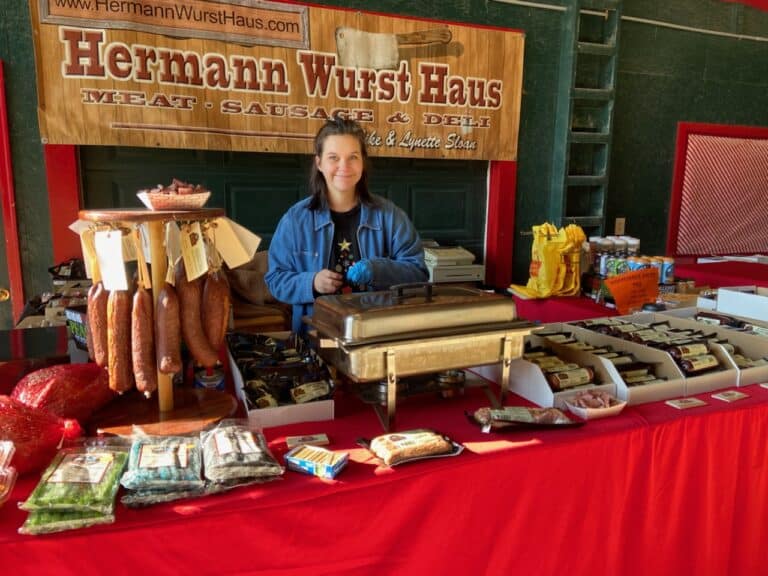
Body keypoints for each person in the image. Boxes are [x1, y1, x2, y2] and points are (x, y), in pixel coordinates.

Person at [265, 116, 428, 334]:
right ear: (319, 163)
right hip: (315, 338)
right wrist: (311, 283)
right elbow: (275, 280)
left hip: (375, 335)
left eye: (353, 157)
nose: (344, 166)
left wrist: (377, 270)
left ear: (363, 162)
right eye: (333, 157)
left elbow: (418, 273)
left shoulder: (390, 216)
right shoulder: (295, 220)